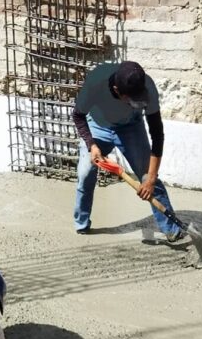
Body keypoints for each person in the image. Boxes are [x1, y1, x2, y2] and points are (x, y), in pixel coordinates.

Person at [72, 61, 183, 242]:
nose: (137, 103)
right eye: (132, 100)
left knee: (149, 177)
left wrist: (151, 178)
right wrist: (92, 145)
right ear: (116, 90)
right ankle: (81, 224)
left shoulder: (147, 86)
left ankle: (172, 228)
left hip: (131, 127)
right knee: (85, 173)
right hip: (98, 126)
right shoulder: (96, 81)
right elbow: (78, 115)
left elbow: (157, 134)